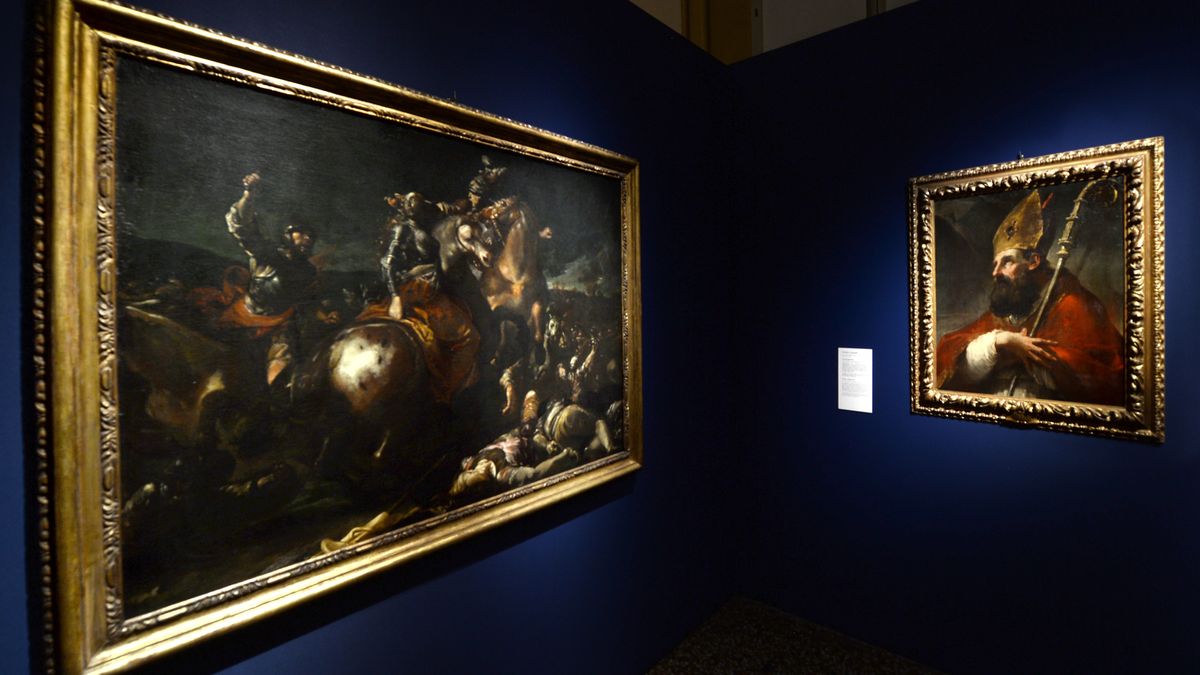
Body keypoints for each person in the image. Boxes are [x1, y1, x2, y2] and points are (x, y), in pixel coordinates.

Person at [935, 190, 1124, 405]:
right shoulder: (1010, 308)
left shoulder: (1072, 304)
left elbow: (1106, 377)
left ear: (1033, 262)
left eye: (1007, 262)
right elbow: (950, 355)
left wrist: (1040, 359)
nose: (996, 273)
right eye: (995, 265)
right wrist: (999, 342)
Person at [222, 172, 318, 386]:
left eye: (311, 236)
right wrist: (249, 196)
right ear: (288, 236)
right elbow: (243, 229)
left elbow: (305, 302)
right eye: (301, 233)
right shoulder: (268, 254)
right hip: (243, 319)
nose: (307, 239)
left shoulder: (308, 271)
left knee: (284, 371)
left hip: (282, 326)